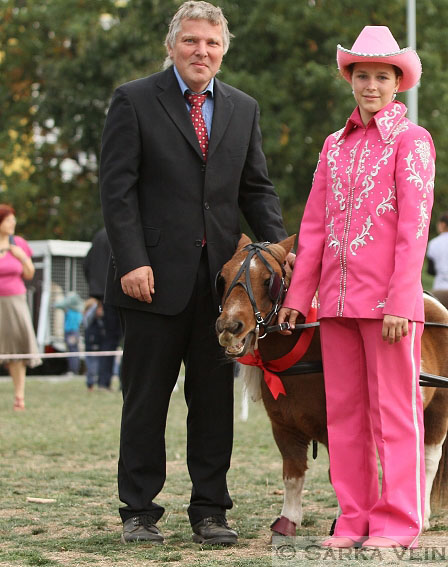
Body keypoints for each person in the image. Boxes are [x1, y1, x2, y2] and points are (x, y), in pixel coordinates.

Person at [99, 1, 287, 546]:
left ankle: (210, 511)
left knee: (212, 404)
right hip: (150, 281)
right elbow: (117, 191)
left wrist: (276, 251)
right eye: (191, 41)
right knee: (146, 402)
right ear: (172, 46)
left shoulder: (242, 108)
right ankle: (138, 511)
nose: (201, 51)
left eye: (211, 42)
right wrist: (132, 259)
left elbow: (256, 189)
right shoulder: (133, 100)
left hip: (222, 291)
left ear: (223, 50)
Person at [278, 25, 434, 550]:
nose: (371, 85)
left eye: (382, 77)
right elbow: (314, 227)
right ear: (350, 79)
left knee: (394, 413)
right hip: (336, 304)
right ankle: (354, 520)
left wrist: (401, 300)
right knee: (344, 416)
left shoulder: (412, 142)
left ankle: (397, 524)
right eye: (362, 75)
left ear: (398, 83)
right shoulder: (333, 146)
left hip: (388, 304)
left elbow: (415, 227)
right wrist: (300, 299)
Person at [0, 204, 40, 411]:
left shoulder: (19, 243)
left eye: (13, 219)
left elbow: (29, 274)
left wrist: (21, 256)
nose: (13, 223)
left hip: (15, 301)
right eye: (8, 220)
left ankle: (19, 397)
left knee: (16, 350)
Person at [83, 227, 122, 390]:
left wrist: (96, 295)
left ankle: (103, 382)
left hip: (103, 296)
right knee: (130, 341)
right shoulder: (123, 232)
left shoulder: (99, 236)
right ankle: (125, 382)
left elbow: (87, 264)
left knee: (108, 340)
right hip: (124, 293)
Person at [55, 292, 84, 375]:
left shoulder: (73, 311)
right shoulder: (77, 311)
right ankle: (73, 370)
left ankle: (73, 370)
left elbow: (59, 305)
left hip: (72, 332)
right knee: (72, 350)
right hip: (72, 332)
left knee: (73, 351)